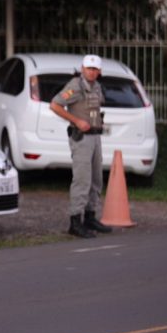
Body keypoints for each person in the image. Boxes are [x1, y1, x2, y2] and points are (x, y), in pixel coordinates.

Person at [49, 54, 113, 239]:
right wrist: (76, 120)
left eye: (95, 69)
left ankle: (90, 217)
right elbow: (55, 105)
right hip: (82, 138)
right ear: (82, 68)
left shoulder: (96, 86)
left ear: (99, 71)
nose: (91, 72)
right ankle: (75, 222)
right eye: (89, 68)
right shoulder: (75, 86)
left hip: (95, 136)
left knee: (96, 179)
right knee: (82, 180)